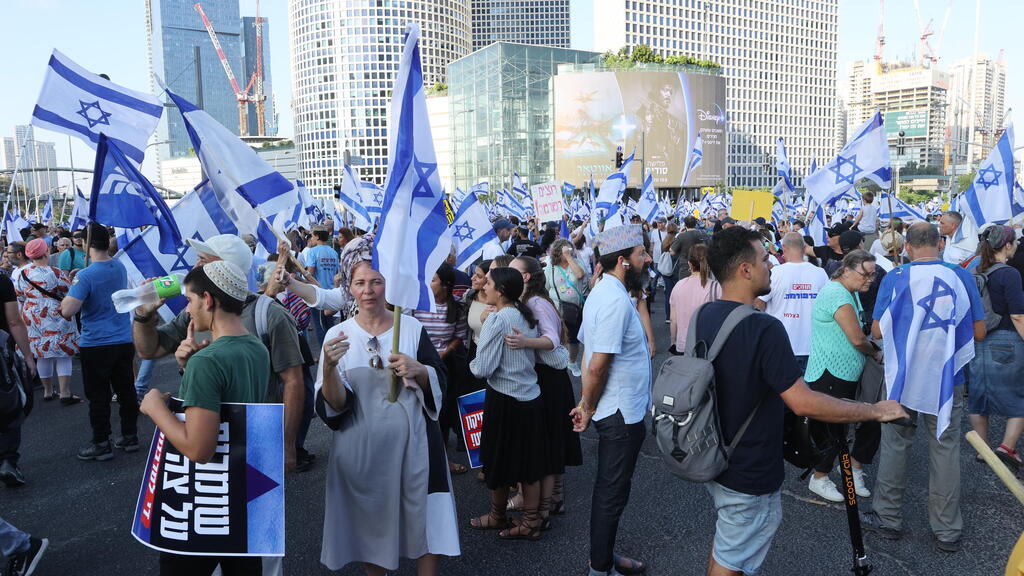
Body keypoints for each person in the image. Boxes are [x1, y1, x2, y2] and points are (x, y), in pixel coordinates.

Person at [693, 226, 906, 576]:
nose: (772, 266)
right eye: (764, 259)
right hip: (750, 466)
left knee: (729, 541)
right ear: (745, 269)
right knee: (734, 557)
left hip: (716, 453)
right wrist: (874, 410)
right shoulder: (764, 327)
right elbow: (803, 403)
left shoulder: (705, 315)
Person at [315, 234, 459, 574]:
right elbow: (335, 406)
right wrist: (329, 369)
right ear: (349, 287)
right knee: (370, 525)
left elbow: (440, 381)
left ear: (387, 286)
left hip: (415, 448)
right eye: (360, 282)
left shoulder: (409, 328)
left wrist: (420, 370)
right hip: (362, 453)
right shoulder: (336, 338)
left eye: (376, 282)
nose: (368, 290)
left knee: (427, 523)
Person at [863, 221, 986, 554]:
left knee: (895, 444)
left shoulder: (896, 277)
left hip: (903, 379)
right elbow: (978, 333)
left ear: (907, 247)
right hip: (947, 379)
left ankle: (888, 519)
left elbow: (876, 329)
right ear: (940, 244)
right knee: (945, 449)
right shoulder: (960, 276)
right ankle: (947, 529)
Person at [132, 234, 305, 471]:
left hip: (243, 446)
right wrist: (143, 315)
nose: (195, 266)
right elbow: (149, 349)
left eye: (203, 260)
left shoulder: (269, 314)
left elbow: (293, 382)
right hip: (222, 445)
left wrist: (286, 444)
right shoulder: (198, 316)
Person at [138, 261, 267, 575]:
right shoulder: (256, 347)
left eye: (190, 300)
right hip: (242, 495)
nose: (189, 310)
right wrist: (188, 369)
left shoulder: (207, 361)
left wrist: (155, 407)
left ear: (208, 300)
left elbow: (198, 449)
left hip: (202, 502)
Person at [570, 224, 652, 576]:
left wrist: (587, 404)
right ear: (623, 261)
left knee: (613, 492)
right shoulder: (614, 299)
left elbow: (590, 354)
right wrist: (586, 407)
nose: (648, 259)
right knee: (611, 494)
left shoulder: (607, 291)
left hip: (621, 409)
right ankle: (599, 569)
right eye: (641, 254)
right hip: (619, 413)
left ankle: (603, 557)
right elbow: (597, 364)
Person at [469, 266, 567, 541]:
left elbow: (483, 368)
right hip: (530, 397)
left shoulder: (498, 320)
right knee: (530, 465)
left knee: (497, 461)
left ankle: (497, 515)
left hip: (505, 399)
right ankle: (531, 522)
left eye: (487, 283)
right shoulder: (525, 314)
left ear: (500, 291)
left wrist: (473, 362)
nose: (482, 286)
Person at [803, 250, 880, 501]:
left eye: (873, 274)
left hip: (845, 372)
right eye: (865, 274)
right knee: (834, 429)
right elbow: (857, 338)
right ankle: (820, 477)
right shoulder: (836, 293)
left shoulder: (850, 292)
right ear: (846, 270)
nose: (870, 279)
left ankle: (849, 470)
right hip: (831, 372)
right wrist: (875, 353)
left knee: (858, 423)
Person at [510, 256, 582, 522]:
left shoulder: (536, 302)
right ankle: (554, 500)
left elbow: (551, 340)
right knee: (553, 439)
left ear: (526, 277)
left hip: (548, 379)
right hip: (549, 377)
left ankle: (545, 506)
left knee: (549, 441)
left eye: (514, 270)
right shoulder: (535, 300)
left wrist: (524, 342)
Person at [60, 224, 137, 461]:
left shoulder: (86, 274)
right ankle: (130, 435)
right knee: (126, 390)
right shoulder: (119, 266)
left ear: (85, 243)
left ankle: (101, 442)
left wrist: (75, 285)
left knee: (99, 396)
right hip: (123, 338)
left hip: (97, 343)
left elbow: (68, 310)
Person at [967, 224, 1024, 471]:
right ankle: (1007, 447)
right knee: (1019, 398)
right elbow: (1018, 315)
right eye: (1015, 242)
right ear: (1007, 245)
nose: (1018, 245)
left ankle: (983, 449)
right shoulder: (1009, 274)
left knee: (979, 397)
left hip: (978, 339)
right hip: (1005, 340)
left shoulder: (974, 270)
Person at [411, 262, 469, 476]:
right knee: (419, 412)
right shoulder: (418, 304)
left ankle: (443, 459)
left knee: (442, 414)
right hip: (419, 365)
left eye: (433, 280)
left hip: (445, 368)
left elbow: (460, 337)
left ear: (445, 285)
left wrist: (444, 352)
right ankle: (420, 458)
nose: (428, 284)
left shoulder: (457, 308)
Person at [13, 238, 79, 405]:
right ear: (47, 251)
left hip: (32, 317)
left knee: (43, 355)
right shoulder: (55, 272)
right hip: (56, 315)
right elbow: (69, 293)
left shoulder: (22, 274)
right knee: (63, 355)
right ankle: (65, 392)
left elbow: (19, 295)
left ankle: (48, 391)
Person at [755, 232, 828, 372]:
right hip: (814, 346)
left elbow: (758, 303)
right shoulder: (820, 273)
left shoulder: (776, 273)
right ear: (804, 247)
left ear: (784, 247)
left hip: (782, 344)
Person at [0, 269, 37, 487]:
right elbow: (14, 321)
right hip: (2, 354)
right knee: (9, 407)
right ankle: (7, 461)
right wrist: (28, 357)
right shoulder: (2, 280)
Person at [545, 238, 587, 376]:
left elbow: (580, 275)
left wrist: (569, 257)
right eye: (565, 250)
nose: (569, 252)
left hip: (574, 309)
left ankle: (572, 361)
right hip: (556, 309)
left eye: (570, 249)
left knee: (573, 339)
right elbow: (545, 288)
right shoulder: (550, 267)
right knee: (558, 336)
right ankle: (559, 360)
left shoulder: (577, 262)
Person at [669, 244, 717, 354]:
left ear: (689, 264)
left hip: (683, 344)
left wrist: (673, 341)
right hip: (706, 346)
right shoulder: (716, 287)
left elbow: (673, 320)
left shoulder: (678, 286)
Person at [304, 229, 339, 348]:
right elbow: (337, 273)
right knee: (330, 326)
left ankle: (326, 354)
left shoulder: (313, 251)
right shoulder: (333, 252)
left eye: (312, 236)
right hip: (332, 292)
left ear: (318, 237)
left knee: (320, 326)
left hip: (319, 294)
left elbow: (310, 273)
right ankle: (334, 351)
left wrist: (302, 275)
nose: (311, 239)